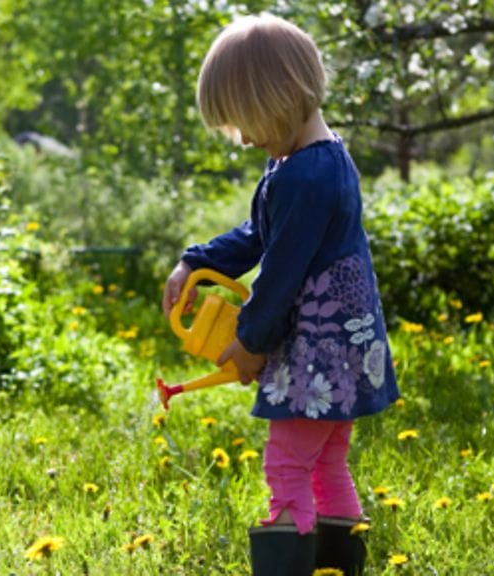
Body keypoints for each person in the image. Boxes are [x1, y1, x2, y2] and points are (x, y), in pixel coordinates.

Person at [161, 13, 400, 576]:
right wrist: (197, 261)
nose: (245, 139)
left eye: (246, 122)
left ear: (279, 96)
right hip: (345, 352)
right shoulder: (312, 161)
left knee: (288, 465)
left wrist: (250, 342)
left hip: (317, 354)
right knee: (328, 462)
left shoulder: (304, 176)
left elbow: (281, 274)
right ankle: (339, 566)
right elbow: (259, 235)